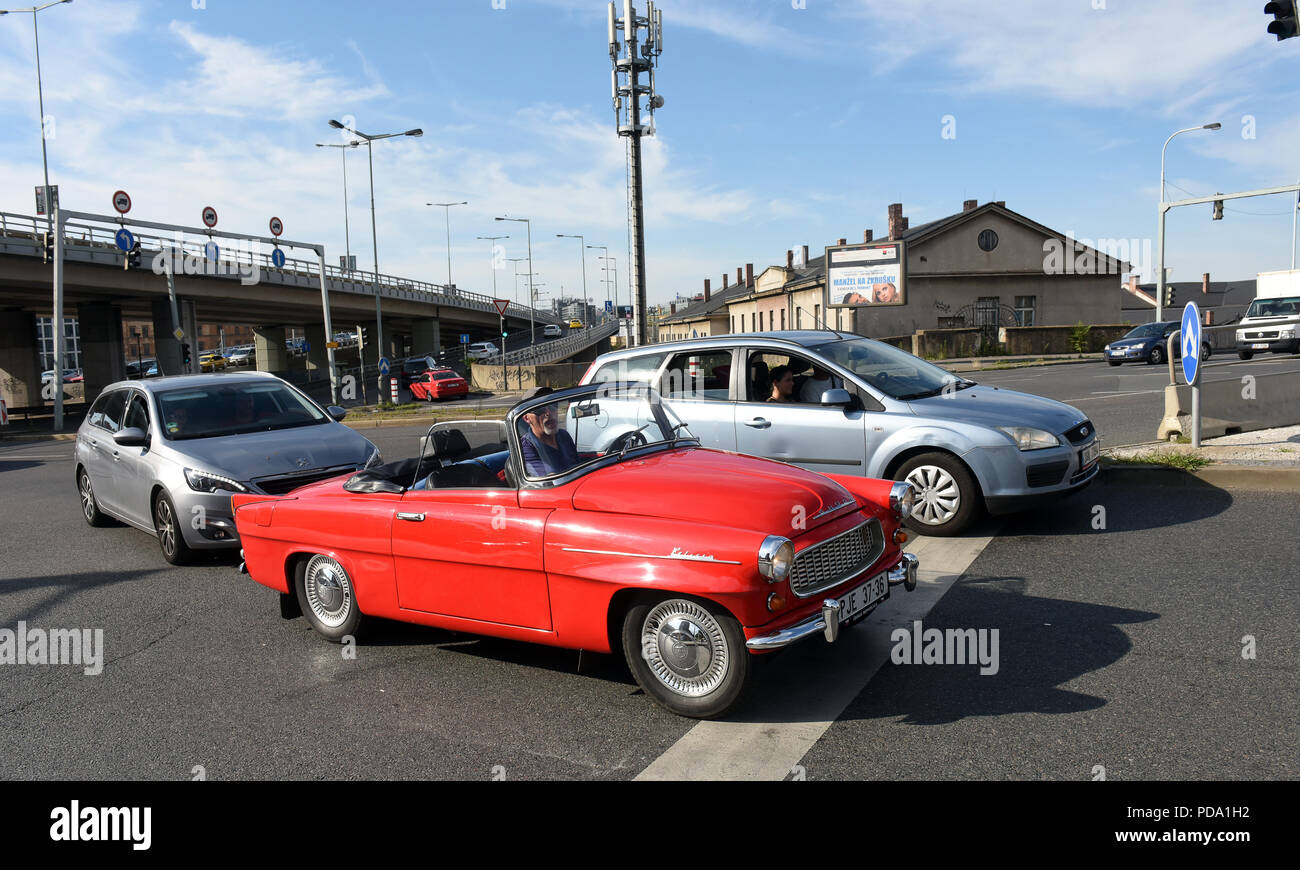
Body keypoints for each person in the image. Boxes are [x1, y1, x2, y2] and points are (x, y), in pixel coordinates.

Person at [516, 387, 579, 477]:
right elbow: (550, 481)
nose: (549, 413)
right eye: (540, 408)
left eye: (553, 405)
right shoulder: (525, 449)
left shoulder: (564, 436)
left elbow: (577, 466)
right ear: (527, 418)